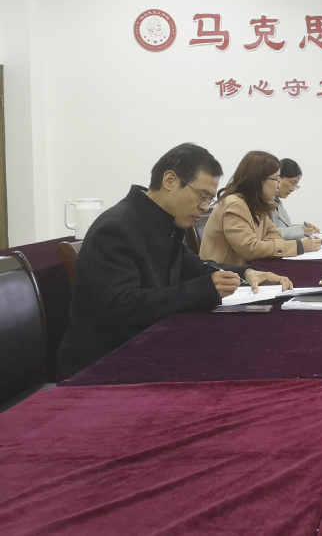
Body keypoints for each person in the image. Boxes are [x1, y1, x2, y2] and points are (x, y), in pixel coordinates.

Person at [56, 143, 293, 380]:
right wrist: (204, 289)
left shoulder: (162, 221)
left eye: (209, 199)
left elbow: (193, 266)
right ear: (170, 180)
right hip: (105, 364)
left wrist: (245, 274)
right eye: (202, 196)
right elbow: (122, 306)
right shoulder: (116, 229)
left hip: (148, 342)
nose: (204, 207)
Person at [199, 151, 321, 265]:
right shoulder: (235, 205)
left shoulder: (256, 205)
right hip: (223, 275)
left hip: (245, 271)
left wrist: (263, 245)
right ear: (258, 179)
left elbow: (274, 234)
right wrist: (298, 246)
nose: (278, 185)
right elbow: (249, 249)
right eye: (276, 179)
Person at [272, 157, 320, 240]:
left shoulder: (276, 201)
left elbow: (284, 227)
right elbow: (269, 234)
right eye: (292, 182)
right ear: (278, 177)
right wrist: (301, 230)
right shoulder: (261, 202)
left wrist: (303, 227)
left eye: (295, 185)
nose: (292, 189)